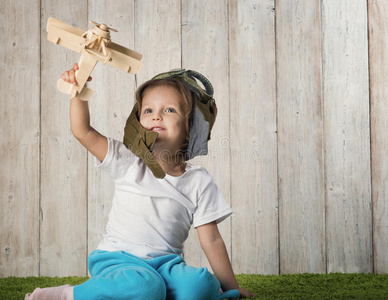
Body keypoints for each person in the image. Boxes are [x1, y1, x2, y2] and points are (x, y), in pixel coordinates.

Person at [25, 64, 255, 300]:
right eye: (148, 111)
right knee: (145, 286)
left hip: (166, 266)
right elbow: (82, 131)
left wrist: (231, 287)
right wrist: (78, 92)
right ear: (137, 122)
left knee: (200, 285)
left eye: (169, 110)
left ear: (189, 128)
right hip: (119, 260)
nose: (156, 115)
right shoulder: (127, 160)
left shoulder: (199, 181)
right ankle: (68, 295)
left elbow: (212, 239)